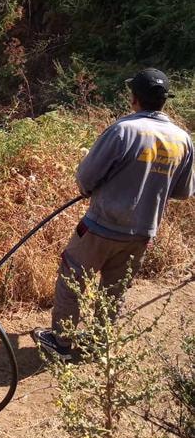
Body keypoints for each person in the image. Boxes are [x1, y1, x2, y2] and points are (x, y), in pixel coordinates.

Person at [33, 68, 195, 362]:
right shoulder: (183, 139)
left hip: (101, 227)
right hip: (143, 233)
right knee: (115, 290)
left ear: (134, 98)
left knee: (73, 277)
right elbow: (183, 192)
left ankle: (62, 342)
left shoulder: (124, 130)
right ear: (164, 101)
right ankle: (99, 343)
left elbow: (85, 178)